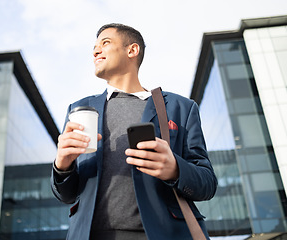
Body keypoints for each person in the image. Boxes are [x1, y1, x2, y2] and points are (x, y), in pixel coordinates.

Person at [51, 23, 217, 240]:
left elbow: (207, 183)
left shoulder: (180, 108)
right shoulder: (80, 110)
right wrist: (62, 166)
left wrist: (175, 169)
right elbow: (66, 195)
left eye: (105, 43)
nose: (95, 50)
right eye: (94, 46)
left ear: (132, 50)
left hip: (161, 235)